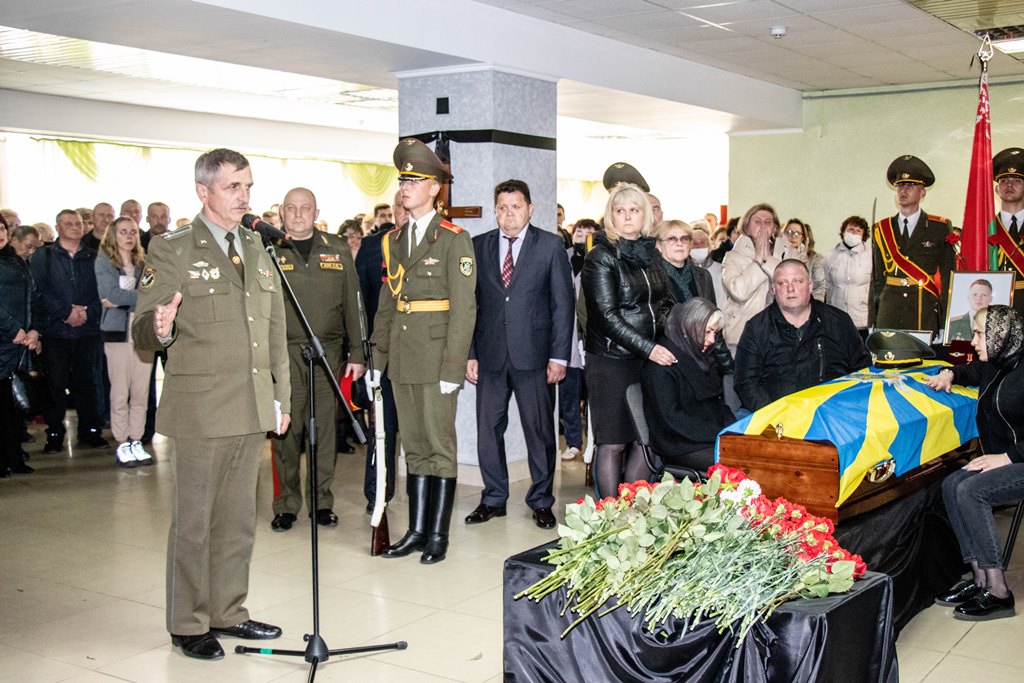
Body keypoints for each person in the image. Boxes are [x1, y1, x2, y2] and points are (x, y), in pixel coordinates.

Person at [132, 148, 290, 661]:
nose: (244, 196)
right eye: (232, 187)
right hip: (201, 408)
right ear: (203, 192)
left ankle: (228, 610)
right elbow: (143, 327)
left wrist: (281, 396)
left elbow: (273, 329)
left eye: (248, 186)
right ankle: (188, 622)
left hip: (250, 404)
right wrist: (160, 328)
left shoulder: (256, 244)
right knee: (195, 522)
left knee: (239, 521)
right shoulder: (172, 248)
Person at [370, 138, 476, 565]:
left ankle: (437, 535)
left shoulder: (453, 239)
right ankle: (415, 531)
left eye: (414, 181)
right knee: (413, 446)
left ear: (435, 188)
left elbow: (464, 309)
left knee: (439, 445)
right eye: (403, 181)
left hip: (436, 359)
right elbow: (388, 302)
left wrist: (453, 366)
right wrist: (378, 357)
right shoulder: (394, 240)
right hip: (402, 356)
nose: (405, 187)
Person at [464, 179, 574, 529]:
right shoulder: (478, 246)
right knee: (488, 431)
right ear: (495, 210)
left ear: (530, 209)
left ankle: (541, 500)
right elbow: (470, 305)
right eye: (502, 207)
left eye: (516, 207)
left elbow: (563, 305)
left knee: (539, 432)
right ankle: (493, 497)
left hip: (536, 357)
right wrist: (470, 353)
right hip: (490, 356)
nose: (509, 214)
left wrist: (559, 357)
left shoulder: (551, 246)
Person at [269, 187, 365, 532]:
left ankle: (322, 501)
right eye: (291, 208)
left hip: (328, 353)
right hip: (284, 354)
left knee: (324, 430)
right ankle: (286, 503)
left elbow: (353, 301)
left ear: (316, 212)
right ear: (282, 213)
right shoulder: (269, 249)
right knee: (286, 430)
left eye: (305, 208)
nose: (298, 214)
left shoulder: (336, 248)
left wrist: (358, 351)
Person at [927, 304, 1023, 621]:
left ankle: (999, 592)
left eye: (980, 333)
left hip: (1017, 459)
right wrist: (950, 373)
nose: (973, 341)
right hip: (1008, 460)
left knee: (971, 491)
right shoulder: (996, 363)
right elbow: (971, 372)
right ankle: (980, 578)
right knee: (952, 484)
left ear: (1001, 335)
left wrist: (1007, 457)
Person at [581, 182, 674, 499]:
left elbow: (664, 303)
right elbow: (606, 317)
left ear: (645, 214)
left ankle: (631, 508)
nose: (628, 216)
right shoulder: (601, 256)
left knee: (643, 440)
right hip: (611, 361)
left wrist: (683, 330)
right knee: (613, 442)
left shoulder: (651, 254)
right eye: (620, 211)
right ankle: (608, 514)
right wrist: (651, 348)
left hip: (647, 360)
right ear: (611, 216)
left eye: (634, 209)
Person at [735, 260, 870, 412]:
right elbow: (746, 382)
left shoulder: (838, 321)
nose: (790, 289)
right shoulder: (757, 328)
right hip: (776, 416)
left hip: (832, 412)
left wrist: (844, 408)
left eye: (798, 281)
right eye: (782, 283)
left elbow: (862, 370)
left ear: (810, 286)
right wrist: (775, 414)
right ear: (773, 289)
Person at [30, 209, 108, 452]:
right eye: (68, 223)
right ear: (58, 227)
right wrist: (65, 312)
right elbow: (39, 291)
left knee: (89, 382)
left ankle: (90, 431)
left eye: (78, 223)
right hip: (56, 332)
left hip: (87, 331)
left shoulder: (95, 256)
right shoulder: (45, 256)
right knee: (55, 385)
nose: (75, 227)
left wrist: (87, 312)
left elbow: (103, 290)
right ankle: (55, 434)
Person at [642, 298, 733, 472]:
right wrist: (719, 433)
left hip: (707, 437)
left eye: (715, 333)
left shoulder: (700, 355)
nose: (712, 340)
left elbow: (717, 403)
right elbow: (672, 419)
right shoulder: (662, 363)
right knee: (741, 464)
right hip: (679, 444)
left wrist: (731, 430)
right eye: (708, 332)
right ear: (691, 327)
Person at [356, 190, 403, 512]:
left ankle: (423, 498)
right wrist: (362, 353)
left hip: (419, 354)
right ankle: (377, 494)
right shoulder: (373, 246)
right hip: (380, 353)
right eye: (399, 204)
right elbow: (360, 301)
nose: (405, 210)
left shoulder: (437, 242)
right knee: (381, 429)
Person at [871, 154, 956, 334]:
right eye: (900, 186)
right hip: (889, 311)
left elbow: (948, 279)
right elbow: (877, 280)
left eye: (910, 185)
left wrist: (944, 324)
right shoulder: (882, 228)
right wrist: (873, 320)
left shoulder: (939, 227)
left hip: (923, 310)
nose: (903, 190)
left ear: (922, 192)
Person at [95, 216, 154, 467]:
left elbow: (153, 293)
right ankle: (122, 441)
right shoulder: (104, 261)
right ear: (113, 235)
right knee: (120, 390)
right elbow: (109, 294)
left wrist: (123, 299)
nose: (129, 236)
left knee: (141, 390)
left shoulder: (145, 262)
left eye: (133, 232)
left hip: (142, 331)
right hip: (117, 332)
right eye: (123, 232)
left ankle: (137, 439)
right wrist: (137, 297)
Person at [0, 215, 41, 476]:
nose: (0, 234)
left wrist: (35, 330)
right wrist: (13, 329)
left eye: (2, 228)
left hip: (19, 344)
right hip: (6, 338)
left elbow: (33, 298)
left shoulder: (15, 260)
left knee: (13, 405)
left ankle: (13, 456)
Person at [559, 218, 598, 462]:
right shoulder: (563, 258)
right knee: (569, 392)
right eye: (579, 231)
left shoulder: (600, 260)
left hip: (592, 336)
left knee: (594, 394)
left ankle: (594, 442)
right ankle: (574, 441)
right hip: (568, 336)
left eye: (589, 232)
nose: (583, 235)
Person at [721, 203, 782, 351]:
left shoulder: (787, 253)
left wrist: (768, 259)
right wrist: (758, 261)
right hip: (741, 335)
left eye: (768, 222)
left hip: (779, 336)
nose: (763, 226)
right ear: (747, 227)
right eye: (757, 221)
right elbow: (739, 293)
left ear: (775, 228)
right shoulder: (733, 256)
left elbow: (788, 285)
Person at [824, 216, 872, 336]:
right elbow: (825, 285)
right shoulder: (830, 256)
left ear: (864, 235)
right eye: (851, 229)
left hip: (862, 321)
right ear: (843, 231)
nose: (854, 233)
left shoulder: (870, 257)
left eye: (858, 231)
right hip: (836, 319)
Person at [990, 148, 1024, 316]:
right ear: (997, 189)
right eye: (1003, 181)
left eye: (1017, 180)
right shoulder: (985, 228)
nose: (1009, 185)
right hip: (995, 307)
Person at [653, 219, 715, 305]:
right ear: (659, 245)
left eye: (684, 239)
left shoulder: (704, 275)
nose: (679, 243)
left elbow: (712, 309)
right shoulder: (652, 278)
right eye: (672, 239)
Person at [774, 218, 825, 301]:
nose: (793, 236)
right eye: (789, 232)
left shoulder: (814, 258)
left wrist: (814, 306)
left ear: (802, 237)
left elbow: (819, 286)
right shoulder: (774, 255)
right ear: (783, 234)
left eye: (797, 233)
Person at [690, 226, 725, 307]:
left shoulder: (722, 269)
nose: (698, 246)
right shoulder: (685, 272)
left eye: (702, 242)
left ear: (709, 246)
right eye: (694, 243)